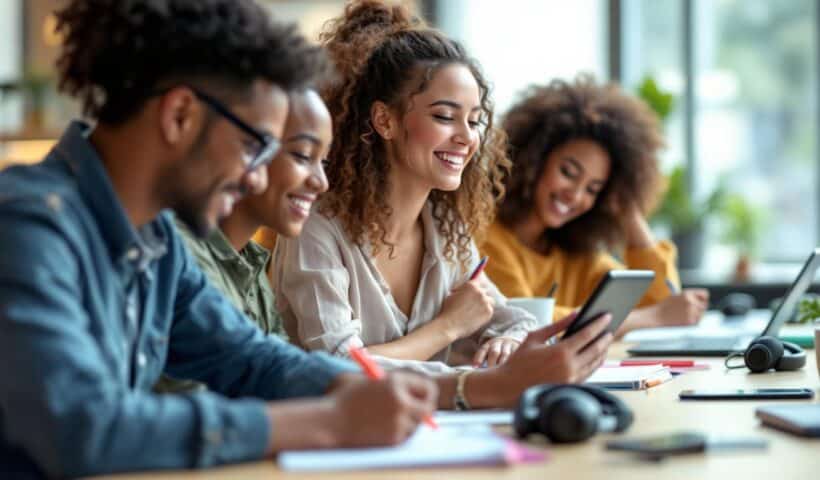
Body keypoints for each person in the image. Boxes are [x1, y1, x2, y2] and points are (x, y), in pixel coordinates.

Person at [0, 1, 439, 477]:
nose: (256, 179)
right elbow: (81, 427)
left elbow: (247, 356)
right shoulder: (27, 228)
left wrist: (352, 385)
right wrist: (331, 422)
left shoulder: (156, 241)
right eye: (254, 146)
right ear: (180, 116)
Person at [273, 0, 613, 376]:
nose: (466, 137)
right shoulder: (318, 226)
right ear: (384, 120)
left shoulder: (442, 225)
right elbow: (340, 367)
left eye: (474, 120)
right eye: (445, 116)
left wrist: (507, 340)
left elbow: (516, 320)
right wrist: (448, 327)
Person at [480, 76, 709, 336]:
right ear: (533, 159)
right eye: (568, 172)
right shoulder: (487, 237)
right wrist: (655, 317)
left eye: (593, 189)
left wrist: (629, 211)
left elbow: (663, 298)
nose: (575, 196)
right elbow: (524, 322)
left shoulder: (576, 253)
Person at [156, 89, 331, 393]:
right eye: (303, 155)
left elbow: (276, 371)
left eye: (324, 162)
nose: (322, 182)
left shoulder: (251, 265)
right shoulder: (180, 253)